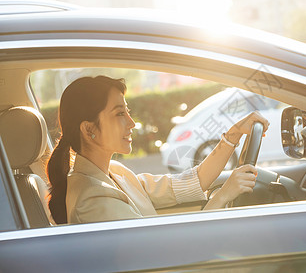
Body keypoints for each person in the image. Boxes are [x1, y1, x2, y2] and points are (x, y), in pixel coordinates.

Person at [46, 76, 269, 224]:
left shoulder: (114, 172)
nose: (132, 123)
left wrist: (233, 135)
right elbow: (163, 254)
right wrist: (223, 196)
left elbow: (186, 184)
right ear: (88, 129)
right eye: (119, 113)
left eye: (128, 111)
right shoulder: (92, 198)